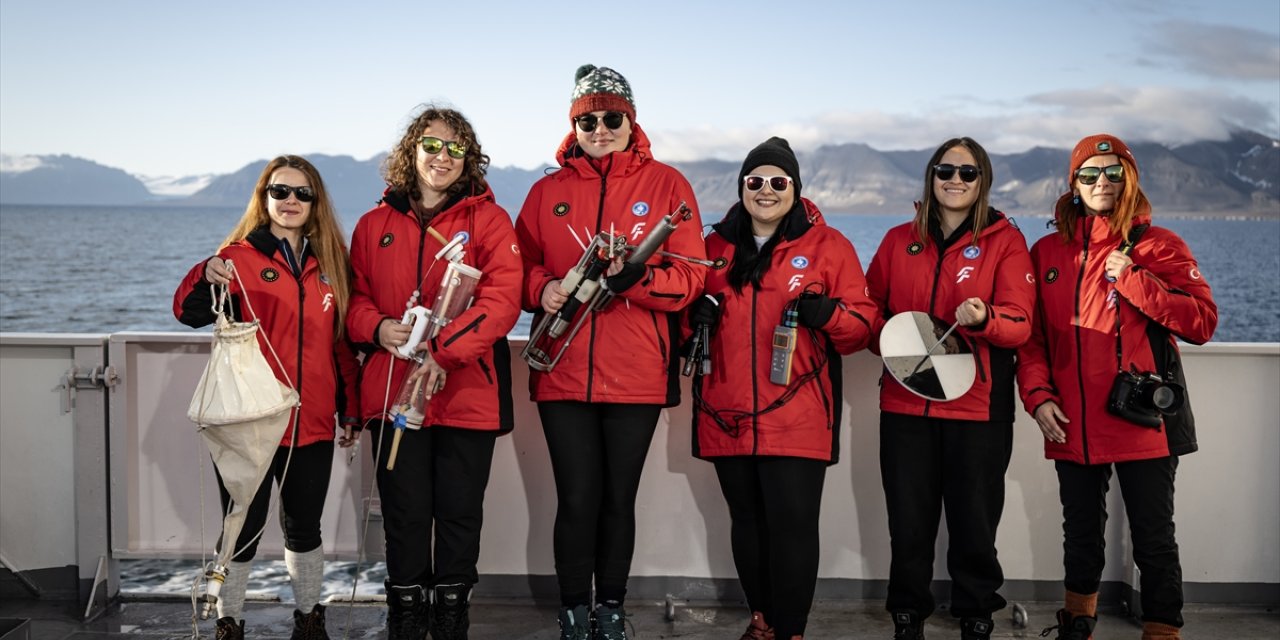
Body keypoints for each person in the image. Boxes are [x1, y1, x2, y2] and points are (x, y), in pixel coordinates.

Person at [514, 64, 707, 640]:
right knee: (575, 498)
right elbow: (517, 266)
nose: (600, 128)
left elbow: (692, 277)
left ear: (631, 120)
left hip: (638, 373)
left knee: (617, 499)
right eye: (587, 120)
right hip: (562, 371)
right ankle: (574, 608)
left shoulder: (669, 184)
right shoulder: (546, 191)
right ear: (574, 125)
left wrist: (636, 282)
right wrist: (538, 289)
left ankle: (612, 609)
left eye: (611, 118)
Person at [1017, 134, 1217, 640]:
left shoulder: (1159, 244)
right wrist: (1038, 397)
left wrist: (1135, 281)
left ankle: (1162, 631)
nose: (1101, 182)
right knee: (1080, 533)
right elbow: (1033, 339)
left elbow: (1201, 323)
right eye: (1089, 174)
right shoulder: (1045, 252)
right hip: (1071, 420)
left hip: (1143, 419)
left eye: (1112, 172)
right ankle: (1077, 621)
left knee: (1154, 537)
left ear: (1129, 178)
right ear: (1073, 183)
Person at [345, 106, 522, 640]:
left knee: (460, 512)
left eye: (455, 149)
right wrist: (378, 330)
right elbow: (353, 299)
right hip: (395, 395)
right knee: (403, 513)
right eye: (431, 145)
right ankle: (405, 614)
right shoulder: (373, 225)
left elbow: (503, 297)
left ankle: (450, 618)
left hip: (467, 395)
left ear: (468, 158)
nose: (442, 157)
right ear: (411, 151)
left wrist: (443, 352)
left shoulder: (489, 221)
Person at [690, 137, 876, 640]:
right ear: (741, 187)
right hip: (725, 409)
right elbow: (678, 322)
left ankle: (791, 629)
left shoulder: (829, 246)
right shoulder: (712, 248)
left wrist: (830, 315)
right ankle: (762, 621)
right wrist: (693, 318)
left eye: (778, 182)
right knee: (747, 524)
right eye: (755, 181)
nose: (766, 190)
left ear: (795, 188)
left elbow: (863, 326)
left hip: (798, 413)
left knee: (792, 527)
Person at [173, 155, 361, 640]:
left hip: (314, 421)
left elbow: (341, 346)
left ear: (316, 202)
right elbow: (187, 312)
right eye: (280, 191)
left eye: (303, 193)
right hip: (249, 421)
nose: (291, 201)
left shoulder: (333, 262)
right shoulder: (237, 258)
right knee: (242, 525)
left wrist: (352, 410)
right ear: (264, 197)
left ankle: (309, 617)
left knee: (305, 528)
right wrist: (204, 271)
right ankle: (228, 622)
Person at [865, 138, 1036, 640]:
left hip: (978, 408)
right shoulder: (899, 240)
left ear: (983, 180)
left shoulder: (1006, 242)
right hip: (905, 405)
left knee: (975, 520)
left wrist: (986, 317)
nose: (955, 180)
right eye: (945, 170)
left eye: (967, 172)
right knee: (908, 519)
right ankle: (907, 610)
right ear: (930, 177)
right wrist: (885, 335)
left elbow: (1021, 322)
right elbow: (870, 307)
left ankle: (977, 608)